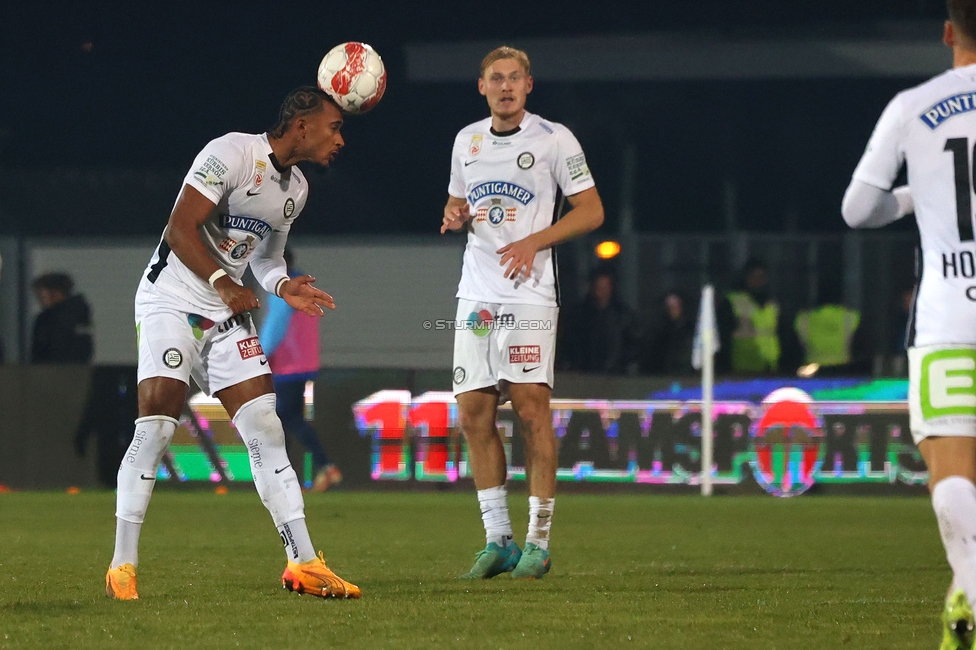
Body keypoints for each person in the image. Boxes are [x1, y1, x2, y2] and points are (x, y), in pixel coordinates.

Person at [105, 87, 360, 601]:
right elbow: (180, 229)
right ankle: (122, 566)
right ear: (303, 125)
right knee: (156, 426)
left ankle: (304, 562)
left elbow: (266, 258)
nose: (341, 139)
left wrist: (282, 285)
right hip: (171, 302)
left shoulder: (297, 190)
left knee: (267, 428)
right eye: (334, 127)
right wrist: (224, 282)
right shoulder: (230, 153)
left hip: (227, 313)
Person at [440, 46, 604, 579]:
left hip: (529, 293)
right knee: (473, 414)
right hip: (476, 294)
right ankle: (498, 541)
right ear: (481, 86)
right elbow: (460, 204)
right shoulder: (466, 141)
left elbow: (592, 210)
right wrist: (454, 212)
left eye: (515, 78)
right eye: (496, 79)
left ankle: (538, 541)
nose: (505, 87)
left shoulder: (554, 139)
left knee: (531, 412)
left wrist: (536, 240)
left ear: (529, 86)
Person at [841, 3, 976, 645]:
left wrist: (912, 196)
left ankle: (970, 588)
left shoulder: (913, 105)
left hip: (949, 316)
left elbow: (857, 209)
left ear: (949, 32)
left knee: (952, 469)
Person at [259, 248, 342, 492]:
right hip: (302, 363)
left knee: (285, 418)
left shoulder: (284, 288)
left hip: (286, 365)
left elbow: (275, 326)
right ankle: (291, 474)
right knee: (286, 419)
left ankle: (320, 467)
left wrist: (259, 356)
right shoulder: (303, 284)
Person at [557, 265, 639, 375]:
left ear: (611, 288)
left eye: (605, 287)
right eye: (598, 287)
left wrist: (621, 365)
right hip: (583, 377)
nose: (601, 291)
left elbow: (632, 346)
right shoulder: (579, 315)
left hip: (615, 378)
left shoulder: (623, 316)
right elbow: (569, 344)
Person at [717, 258, 781, 375]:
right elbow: (724, 334)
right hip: (742, 366)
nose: (758, 280)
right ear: (746, 277)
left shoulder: (771, 304)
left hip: (770, 365)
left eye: (762, 276)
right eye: (754, 276)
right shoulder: (733, 301)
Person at [31, 272, 93, 363]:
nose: (39, 299)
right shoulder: (79, 314)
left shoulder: (56, 318)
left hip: (57, 372)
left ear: (55, 292)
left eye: (41, 294)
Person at [640, 290, 696, 376]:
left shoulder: (691, 331)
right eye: (669, 306)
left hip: (686, 379)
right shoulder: (657, 332)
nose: (673, 309)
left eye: (676, 305)